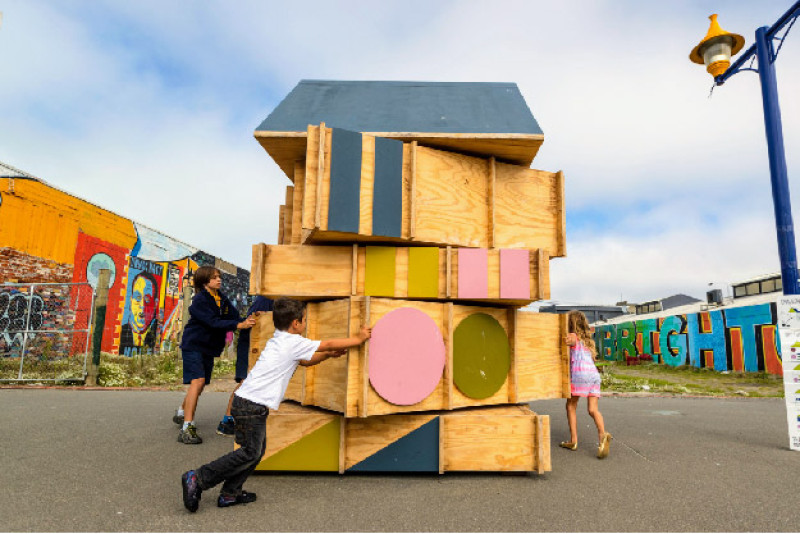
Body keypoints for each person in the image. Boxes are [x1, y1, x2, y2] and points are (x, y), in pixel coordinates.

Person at [181, 297, 371, 511]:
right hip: (251, 405)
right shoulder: (292, 342)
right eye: (305, 320)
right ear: (296, 323)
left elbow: (306, 360)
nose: (306, 323)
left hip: (246, 403)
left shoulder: (280, 339)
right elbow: (326, 343)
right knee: (250, 452)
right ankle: (198, 477)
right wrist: (358, 339)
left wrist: (327, 355)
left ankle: (230, 493)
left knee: (255, 450)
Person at [173, 265, 256, 445]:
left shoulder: (221, 299)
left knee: (201, 384)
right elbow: (212, 322)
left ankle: (181, 411)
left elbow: (234, 316)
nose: (218, 280)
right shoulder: (199, 301)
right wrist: (238, 326)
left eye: (219, 277)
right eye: (214, 277)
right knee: (198, 381)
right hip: (193, 345)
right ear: (204, 281)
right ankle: (187, 427)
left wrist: (248, 320)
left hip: (208, 348)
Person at [216, 295, 274, 436]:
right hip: (251, 341)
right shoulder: (266, 298)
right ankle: (227, 421)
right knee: (246, 381)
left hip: (257, 341)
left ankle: (236, 420)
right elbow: (255, 320)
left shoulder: (271, 298)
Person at [560, 310, 612, 459]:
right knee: (593, 409)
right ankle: (602, 435)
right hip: (594, 376)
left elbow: (564, 341)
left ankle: (573, 440)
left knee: (571, 406)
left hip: (580, 375)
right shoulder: (588, 342)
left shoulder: (573, 337)